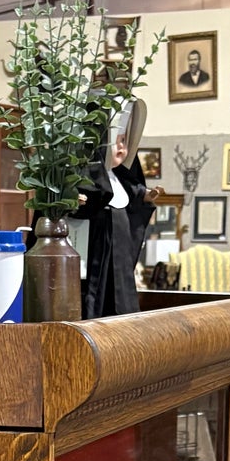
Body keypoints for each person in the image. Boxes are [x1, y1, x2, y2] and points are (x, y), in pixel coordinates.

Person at [79, 101, 152, 318]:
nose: (122, 148)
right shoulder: (86, 182)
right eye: (117, 141)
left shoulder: (123, 181)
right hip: (94, 269)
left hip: (121, 270)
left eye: (125, 141)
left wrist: (146, 197)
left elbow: (135, 198)